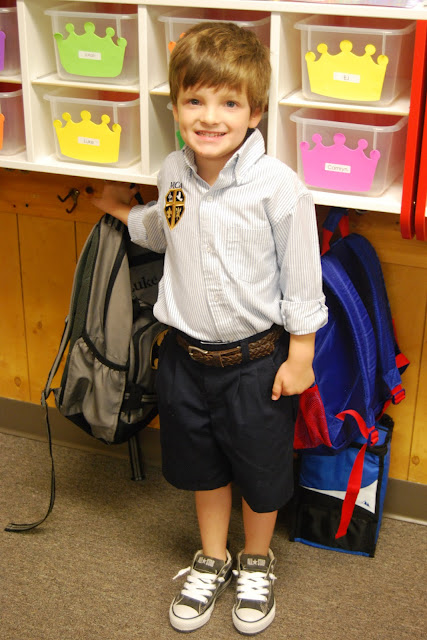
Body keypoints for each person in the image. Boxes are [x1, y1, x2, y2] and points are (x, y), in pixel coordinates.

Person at [90, 21, 327, 636]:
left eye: (229, 103)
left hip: (256, 363)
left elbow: (303, 279)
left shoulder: (279, 189)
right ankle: (213, 557)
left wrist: (300, 355)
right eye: (194, 100)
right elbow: (165, 226)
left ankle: (256, 561)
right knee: (203, 467)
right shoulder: (174, 171)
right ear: (175, 107)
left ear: (255, 111)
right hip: (185, 360)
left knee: (260, 473)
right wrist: (121, 211)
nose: (210, 117)